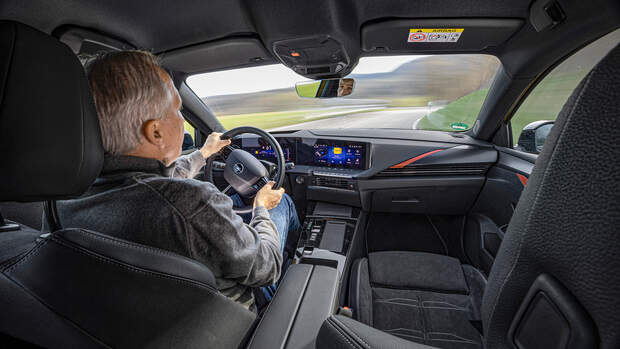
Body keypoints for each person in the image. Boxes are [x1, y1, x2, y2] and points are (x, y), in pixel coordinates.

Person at [57, 50, 299, 311]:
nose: (183, 119)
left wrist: (204, 153)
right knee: (282, 202)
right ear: (156, 132)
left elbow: (156, 184)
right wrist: (261, 208)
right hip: (234, 315)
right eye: (178, 109)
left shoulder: (62, 194)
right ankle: (295, 270)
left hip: (147, 310)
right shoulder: (194, 203)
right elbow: (267, 267)